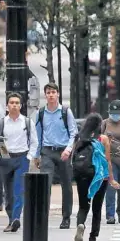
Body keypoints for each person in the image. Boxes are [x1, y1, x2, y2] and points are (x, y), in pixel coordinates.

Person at [72, 113, 120, 241]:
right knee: (97, 207)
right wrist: (111, 179)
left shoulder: (79, 138)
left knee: (83, 205)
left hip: (82, 175)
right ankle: (93, 237)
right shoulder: (103, 139)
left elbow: (73, 157)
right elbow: (107, 160)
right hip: (100, 176)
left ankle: (80, 224)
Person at [34, 83, 78, 229]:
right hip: (47, 151)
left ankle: (66, 218)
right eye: (48, 92)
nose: (51, 95)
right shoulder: (41, 113)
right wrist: (36, 154)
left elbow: (73, 132)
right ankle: (42, 216)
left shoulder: (65, 112)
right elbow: (38, 135)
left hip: (63, 151)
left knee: (66, 184)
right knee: (44, 184)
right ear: (45, 95)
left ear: (58, 94)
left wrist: (69, 149)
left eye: (53, 92)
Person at [0, 92, 38, 232]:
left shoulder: (27, 122)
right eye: (11, 103)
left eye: (16, 103)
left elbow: (34, 142)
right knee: (8, 193)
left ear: (20, 106)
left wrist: (29, 157)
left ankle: (16, 218)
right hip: (5, 159)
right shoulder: (1, 122)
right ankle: (11, 220)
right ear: (7, 106)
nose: (14, 105)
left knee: (18, 190)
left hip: (22, 159)